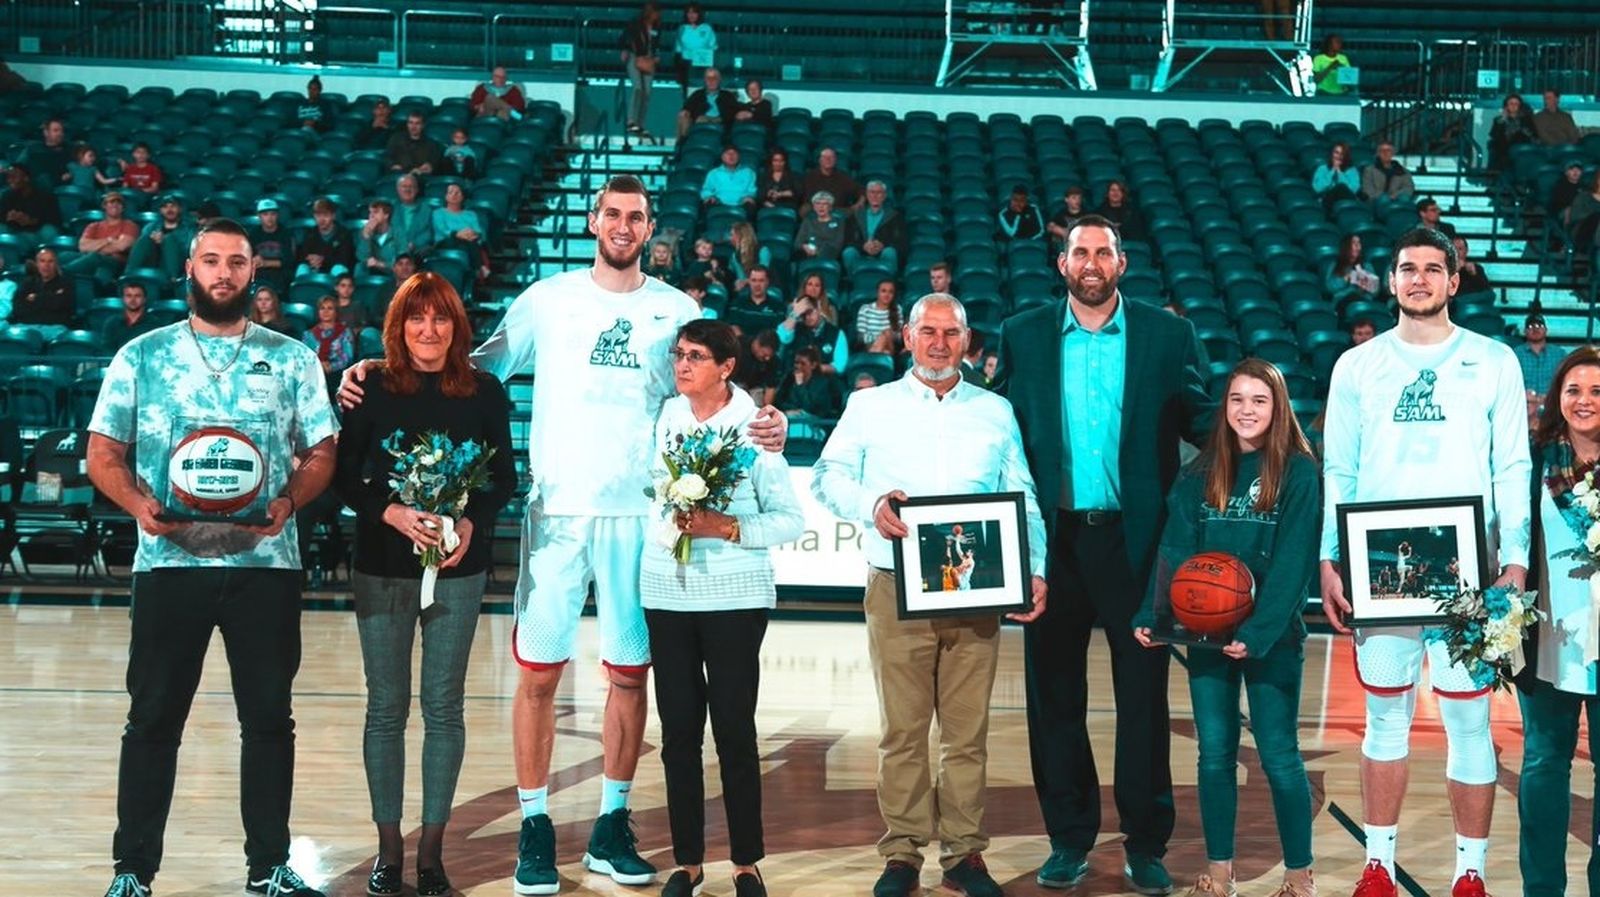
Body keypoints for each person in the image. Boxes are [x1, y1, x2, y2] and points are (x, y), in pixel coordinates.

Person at [337, 175, 786, 896]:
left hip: (642, 516)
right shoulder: (545, 300)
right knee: (539, 675)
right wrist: (376, 367)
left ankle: (611, 823)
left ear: (650, 227)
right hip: (557, 515)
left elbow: (714, 392)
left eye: (635, 217)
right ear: (591, 218)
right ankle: (536, 826)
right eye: (611, 213)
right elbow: (465, 365)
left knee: (628, 674)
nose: (622, 225)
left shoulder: (677, 308)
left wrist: (772, 421)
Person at [87, 217, 338, 897]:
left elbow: (322, 451)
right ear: (189, 269)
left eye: (236, 262)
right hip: (169, 564)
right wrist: (140, 506)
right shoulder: (142, 355)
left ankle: (269, 867)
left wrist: (288, 502)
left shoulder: (292, 358)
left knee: (267, 720)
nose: (223, 273)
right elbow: (102, 452)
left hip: (266, 565)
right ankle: (132, 871)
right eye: (211, 260)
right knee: (153, 718)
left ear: (254, 273)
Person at [995, 214, 1213, 893]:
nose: (1091, 262)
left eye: (1103, 251)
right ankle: (1068, 837)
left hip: (1136, 541)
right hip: (1053, 541)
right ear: (1062, 263)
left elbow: (1202, 417)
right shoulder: (1023, 334)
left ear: (1122, 263)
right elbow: (995, 426)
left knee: (1143, 695)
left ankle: (1145, 841)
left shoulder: (1168, 333)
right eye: (1079, 251)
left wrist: (1253, 417)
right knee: (1053, 693)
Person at [1318, 227, 1531, 897]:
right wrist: (1330, 554)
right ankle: (1377, 865)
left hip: (1471, 571)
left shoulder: (1494, 359)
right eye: (1407, 268)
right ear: (1390, 280)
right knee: (1384, 717)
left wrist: (1517, 558)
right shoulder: (1357, 366)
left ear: (1453, 280)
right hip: (1380, 571)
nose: (1418, 279)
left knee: (1470, 719)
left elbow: (1514, 464)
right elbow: (1339, 469)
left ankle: (1470, 874)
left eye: (1432, 269)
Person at [814, 292, 1048, 897]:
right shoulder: (870, 406)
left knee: (967, 734)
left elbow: (1021, 494)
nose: (939, 343)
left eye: (951, 333)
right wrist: (871, 504)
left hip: (977, 590)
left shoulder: (995, 411)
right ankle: (902, 853)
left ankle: (965, 854)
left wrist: (1035, 567)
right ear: (907, 338)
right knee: (903, 731)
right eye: (928, 331)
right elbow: (826, 475)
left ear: (967, 343)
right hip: (896, 587)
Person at [332, 271, 515, 897]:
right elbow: (343, 475)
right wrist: (387, 510)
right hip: (381, 567)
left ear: (456, 327)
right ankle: (389, 851)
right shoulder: (369, 388)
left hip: (458, 570)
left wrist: (468, 520)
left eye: (440, 319)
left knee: (444, 708)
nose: (429, 330)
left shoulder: (485, 391)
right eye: (417, 319)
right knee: (385, 709)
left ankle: (431, 855)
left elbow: (503, 480)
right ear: (399, 325)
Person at [1132, 358, 1321, 897]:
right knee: (1213, 753)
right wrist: (1153, 614)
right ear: (1225, 407)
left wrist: (1258, 633)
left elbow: (1293, 563)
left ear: (1277, 408)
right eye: (1237, 399)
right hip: (1207, 635)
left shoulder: (1300, 472)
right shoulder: (1200, 471)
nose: (1247, 410)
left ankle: (1298, 875)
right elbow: (1175, 551)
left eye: (1259, 400)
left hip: (1272, 637)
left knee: (1280, 755)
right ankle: (1219, 873)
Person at [644, 319, 802, 897]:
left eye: (696, 357)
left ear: (726, 367)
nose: (682, 365)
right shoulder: (665, 417)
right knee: (678, 733)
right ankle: (686, 861)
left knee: (734, 730)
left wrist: (726, 526)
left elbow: (790, 519)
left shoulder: (756, 427)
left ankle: (745, 861)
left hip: (736, 596)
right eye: (678, 354)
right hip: (664, 591)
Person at [1519, 347, 1600, 896]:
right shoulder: (1534, 459)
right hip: (1550, 639)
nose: (1584, 401)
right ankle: (1542, 888)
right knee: (1545, 766)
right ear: (1557, 398)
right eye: (1573, 390)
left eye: (1596, 391)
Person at [66, 190, 140, 282]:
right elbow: (82, 246)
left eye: (119, 203)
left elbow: (122, 247)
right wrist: (109, 240)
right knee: (65, 255)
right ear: (104, 206)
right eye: (111, 202)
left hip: (116, 262)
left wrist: (94, 247)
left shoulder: (130, 225)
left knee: (94, 256)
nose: (115, 205)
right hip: (92, 260)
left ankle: (62, 273)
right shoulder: (93, 226)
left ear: (123, 208)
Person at [126, 194, 194, 282]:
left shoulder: (188, 228)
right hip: (153, 261)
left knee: (169, 240)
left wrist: (164, 241)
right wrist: (154, 241)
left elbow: (189, 251)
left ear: (179, 209)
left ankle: (174, 281)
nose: (169, 210)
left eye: (173, 206)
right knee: (145, 239)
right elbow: (141, 247)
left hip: (177, 263)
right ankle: (128, 276)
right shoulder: (151, 227)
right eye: (165, 207)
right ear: (160, 210)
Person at [842, 180, 905, 275]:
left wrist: (882, 245)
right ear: (867, 194)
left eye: (879, 193)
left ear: (884, 195)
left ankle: (889, 283)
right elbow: (848, 239)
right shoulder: (856, 216)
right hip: (861, 250)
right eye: (872, 192)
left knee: (890, 252)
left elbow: (900, 240)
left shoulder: (895, 216)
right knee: (849, 252)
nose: (875, 196)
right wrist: (863, 246)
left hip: (883, 251)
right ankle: (853, 282)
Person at [620, 3, 661, 136]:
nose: (657, 15)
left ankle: (640, 124)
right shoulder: (635, 23)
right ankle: (631, 121)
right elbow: (625, 38)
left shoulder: (657, 26)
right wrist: (625, 49)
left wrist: (656, 56)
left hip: (649, 59)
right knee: (638, 87)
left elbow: (657, 43)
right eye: (655, 12)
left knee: (647, 92)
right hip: (635, 56)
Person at [0, 163, 62, 245]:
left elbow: (55, 220)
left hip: (37, 232)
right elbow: (2, 215)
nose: (9, 180)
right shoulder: (7, 195)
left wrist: (31, 221)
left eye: (14, 177)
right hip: (17, 232)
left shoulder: (44, 194)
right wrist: (9, 217)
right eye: (8, 177)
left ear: (26, 178)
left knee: (48, 231)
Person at [10, 246, 73, 326]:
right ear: (37, 264)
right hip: (27, 325)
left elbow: (63, 308)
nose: (46, 265)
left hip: (53, 327)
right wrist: (50, 298)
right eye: (42, 261)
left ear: (56, 264)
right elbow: (18, 308)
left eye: (50, 261)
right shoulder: (28, 282)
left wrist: (35, 298)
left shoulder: (65, 283)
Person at [297, 198, 355, 278]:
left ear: (333, 216)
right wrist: (310, 260)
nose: (321, 220)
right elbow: (302, 255)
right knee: (302, 268)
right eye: (318, 215)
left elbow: (345, 259)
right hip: (315, 269)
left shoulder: (344, 233)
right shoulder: (310, 233)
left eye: (326, 215)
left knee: (338, 269)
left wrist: (322, 260)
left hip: (335, 270)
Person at [1515, 312, 1569, 397]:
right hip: (1523, 404)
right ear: (1525, 331)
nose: (1535, 329)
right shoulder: (1516, 354)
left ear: (1546, 330)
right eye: (1530, 326)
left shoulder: (1559, 354)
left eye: (1539, 326)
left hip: (1552, 404)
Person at [676, 67, 738, 140]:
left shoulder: (727, 95)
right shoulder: (697, 94)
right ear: (704, 80)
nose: (711, 81)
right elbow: (687, 107)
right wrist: (685, 111)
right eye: (708, 78)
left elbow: (735, 109)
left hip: (720, 120)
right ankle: (682, 144)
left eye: (714, 78)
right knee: (683, 117)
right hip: (700, 119)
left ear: (719, 80)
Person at [249, 198, 295, 294]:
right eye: (265, 214)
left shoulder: (286, 233)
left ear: (277, 215)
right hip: (260, 275)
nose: (269, 218)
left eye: (272, 214)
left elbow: (288, 261)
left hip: (281, 275)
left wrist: (265, 263)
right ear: (259, 216)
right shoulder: (254, 234)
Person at [304, 295, 355, 378]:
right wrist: (319, 366)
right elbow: (306, 358)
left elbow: (348, 357)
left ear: (336, 312)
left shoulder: (345, 332)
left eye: (330, 308)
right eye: (322, 308)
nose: (325, 311)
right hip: (314, 373)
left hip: (338, 374)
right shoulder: (308, 334)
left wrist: (331, 367)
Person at [672, 3, 717, 90]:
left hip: (703, 63)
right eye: (689, 12)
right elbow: (678, 50)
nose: (691, 15)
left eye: (694, 12)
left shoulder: (707, 28)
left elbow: (713, 47)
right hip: (686, 64)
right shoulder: (682, 28)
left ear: (699, 14)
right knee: (688, 91)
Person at [386, 112, 446, 177]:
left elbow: (433, 163)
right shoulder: (396, 140)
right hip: (399, 175)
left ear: (423, 125)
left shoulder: (431, 144)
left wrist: (429, 166)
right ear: (407, 124)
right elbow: (388, 157)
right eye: (411, 123)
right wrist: (392, 165)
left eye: (417, 123)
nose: (413, 126)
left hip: (421, 178)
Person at [1488, 93, 1537, 173]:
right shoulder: (1498, 120)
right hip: (1503, 148)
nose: (1513, 106)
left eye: (1516, 104)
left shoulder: (1526, 120)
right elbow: (1494, 135)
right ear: (1506, 106)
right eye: (1511, 103)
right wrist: (1502, 121)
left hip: (1520, 148)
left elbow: (1532, 135)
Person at [854, 278, 903, 356]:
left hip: (891, 346)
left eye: (890, 292)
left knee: (885, 336)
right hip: (869, 346)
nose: (887, 295)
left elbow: (899, 337)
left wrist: (887, 335)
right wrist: (881, 337)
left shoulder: (897, 309)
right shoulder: (865, 309)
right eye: (883, 291)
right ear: (877, 292)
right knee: (885, 351)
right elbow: (861, 337)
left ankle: (872, 361)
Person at [102, 281, 157, 351]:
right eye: (129, 296)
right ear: (123, 299)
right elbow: (106, 351)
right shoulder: (112, 323)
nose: (132, 300)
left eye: (137, 296)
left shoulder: (154, 324)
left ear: (144, 299)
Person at [794, 191, 846, 262]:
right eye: (817, 204)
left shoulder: (838, 222)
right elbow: (798, 242)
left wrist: (818, 250)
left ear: (830, 207)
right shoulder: (808, 221)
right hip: (808, 253)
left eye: (825, 204)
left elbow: (837, 244)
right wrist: (804, 247)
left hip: (829, 254)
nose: (821, 207)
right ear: (814, 207)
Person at [1328, 233, 1380, 303]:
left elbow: (1376, 291)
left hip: (1363, 301)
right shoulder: (1336, 265)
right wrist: (1346, 278)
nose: (1357, 246)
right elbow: (1330, 287)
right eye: (1354, 243)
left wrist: (1367, 286)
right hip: (1342, 300)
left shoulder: (1367, 266)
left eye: (1359, 243)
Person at [701, 145, 755, 209]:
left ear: (739, 156)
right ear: (722, 157)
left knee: (751, 205)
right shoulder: (714, 173)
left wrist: (749, 197)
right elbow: (706, 189)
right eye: (728, 153)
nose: (731, 156)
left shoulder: (749, 172)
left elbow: (752, 190)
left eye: (734, 153)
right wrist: (710, 196)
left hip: (742, 204)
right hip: (718, 203)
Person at [391, 174, 434, 256]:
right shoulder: (391, 208)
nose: (408, 189)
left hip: (418, 251)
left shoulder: (426, 209)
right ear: (398, 189)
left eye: (411, 186)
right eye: (404, 186)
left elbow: (428, 233)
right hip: (394, 249)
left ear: (417, 190)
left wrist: (414, 244)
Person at [1313, 143, 1360, 210]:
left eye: (1342, 154)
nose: (1338, 156)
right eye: (1336, 153)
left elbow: (1353, 190)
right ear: (1332, 154)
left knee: (1341, 187)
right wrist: (1332, 171)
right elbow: (1318, 188)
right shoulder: (1322, 169)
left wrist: (1339, 172)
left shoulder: (1352, 171)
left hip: (1346, 202)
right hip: (1327, 202)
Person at [359, 199, 400, 276]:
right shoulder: (365, 231)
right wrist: (366, 237)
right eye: (370, 212)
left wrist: (381, 264)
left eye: (376, 212)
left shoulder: (398, 233)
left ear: (386, 215)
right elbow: (361, 257)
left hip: (392, 273)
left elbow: (403, 262)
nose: (371, 216)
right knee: (359, 268)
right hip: (371, 272)